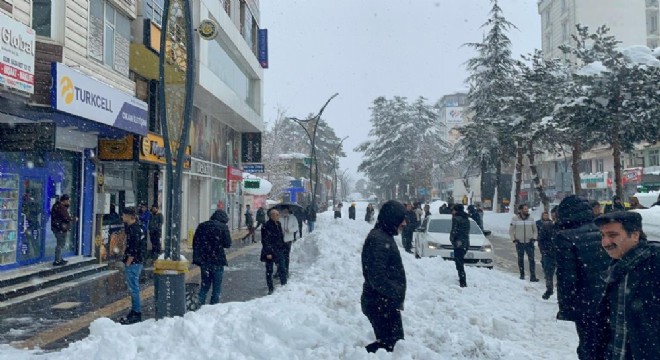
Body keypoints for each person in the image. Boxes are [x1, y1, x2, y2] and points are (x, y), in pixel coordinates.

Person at [594, 211, 660, 360]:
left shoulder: (655, 264)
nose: (605, 242)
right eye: (603, 236)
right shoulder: (615, 267)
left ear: (635, 235)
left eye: (612, 235)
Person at [554, 195, 610, 360]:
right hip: (609, 299)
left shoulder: (565, 237)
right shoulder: (603, 231)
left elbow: (567, 279)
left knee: (589, 347)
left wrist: (566, 308)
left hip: (587, 303)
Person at [361, 200, 407, 353]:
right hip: (380, 303)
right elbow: (376, 277)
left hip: (384, 302)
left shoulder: (383, 236)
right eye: (402, 219)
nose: (405, 223)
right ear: (392, 218)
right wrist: (396, 292)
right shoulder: (379, 239)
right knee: (391, 346)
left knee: (391, 346)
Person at [192, 209, 232, 305]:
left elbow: (195, 243)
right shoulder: (223, 227)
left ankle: (199, 306)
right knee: (216, 288)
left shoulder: (202, 226)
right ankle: (213, 308)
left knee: (204, 286)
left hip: (204, 260)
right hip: (217, 260)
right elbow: (227, 244)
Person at [119, 207, 147, 324]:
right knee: (133, 287)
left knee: (133, 288)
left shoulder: (133, 229)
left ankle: (136, 312)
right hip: (138, 260)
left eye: (124, 215)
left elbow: (134, 246)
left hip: (134, 262)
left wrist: (129, 260)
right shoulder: (138, 227)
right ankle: (134, 311)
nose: (122, 217)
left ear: (130, 216)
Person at [509, 204, 539, 281]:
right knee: (520, 259)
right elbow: (511, 230)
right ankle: (522, 274)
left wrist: (534, 238)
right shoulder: (515, 219)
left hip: (529, 242)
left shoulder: (531, 219)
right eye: (525, 209)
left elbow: (535, 230)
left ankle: (533, 276)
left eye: (527, 209)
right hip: (519, 243)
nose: (526, 210)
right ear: (520, 210)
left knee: (531, 259)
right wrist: (514, 239)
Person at [261, 209, 287, 294]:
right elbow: (265, 240)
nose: (278, 216)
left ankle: (284, 285)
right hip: (270, 251)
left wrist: (283, 246)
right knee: (269, 270)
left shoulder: (278, 224)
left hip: (279, 249)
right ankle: (270, 288)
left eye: (278, 214)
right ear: (271, 216)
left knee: (282, 268)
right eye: (277, 215)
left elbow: (280, 236)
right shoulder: (266, 225)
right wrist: (268, 252)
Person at [50, 194, 78, 266]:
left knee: (60, 244)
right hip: (60, 228)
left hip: (58, 227)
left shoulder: (57, 206)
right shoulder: (61, 207)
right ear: (65, 200)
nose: (69, 202)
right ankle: (57, 261)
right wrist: (74, 219)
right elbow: (66, 217)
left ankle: (59, 259)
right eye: (68, 201)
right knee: (60, 244)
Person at [536, 211, 556, 300]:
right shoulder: (547, 226)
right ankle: (549, 289)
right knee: (548, 272)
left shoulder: (564, 226)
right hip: (548, 254)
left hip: (561, 254)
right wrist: (544, 251)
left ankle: (561, 292)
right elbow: (541, 239)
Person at [450, 204, 470, 287]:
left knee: (459, 263)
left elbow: (454, 231)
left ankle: (462, 281)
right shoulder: (466, 218)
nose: (452, 212)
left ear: (456, 210)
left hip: (458, 243)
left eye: (453, 210)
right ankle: (462, 279)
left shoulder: (456, 219)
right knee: (460, 261)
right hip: (465, 242)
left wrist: (452, 240)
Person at [280, 208, 298, 278]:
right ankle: (279, 270)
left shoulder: (293, 218)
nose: (284, 212)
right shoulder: (280, 218)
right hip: (280, 240)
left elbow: (296, 227)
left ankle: (286, 270)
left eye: (286, 211)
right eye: (283, 211)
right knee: (279, 256)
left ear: (288, 211)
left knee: (286, 256)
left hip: (288, 240)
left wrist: (290, 230)